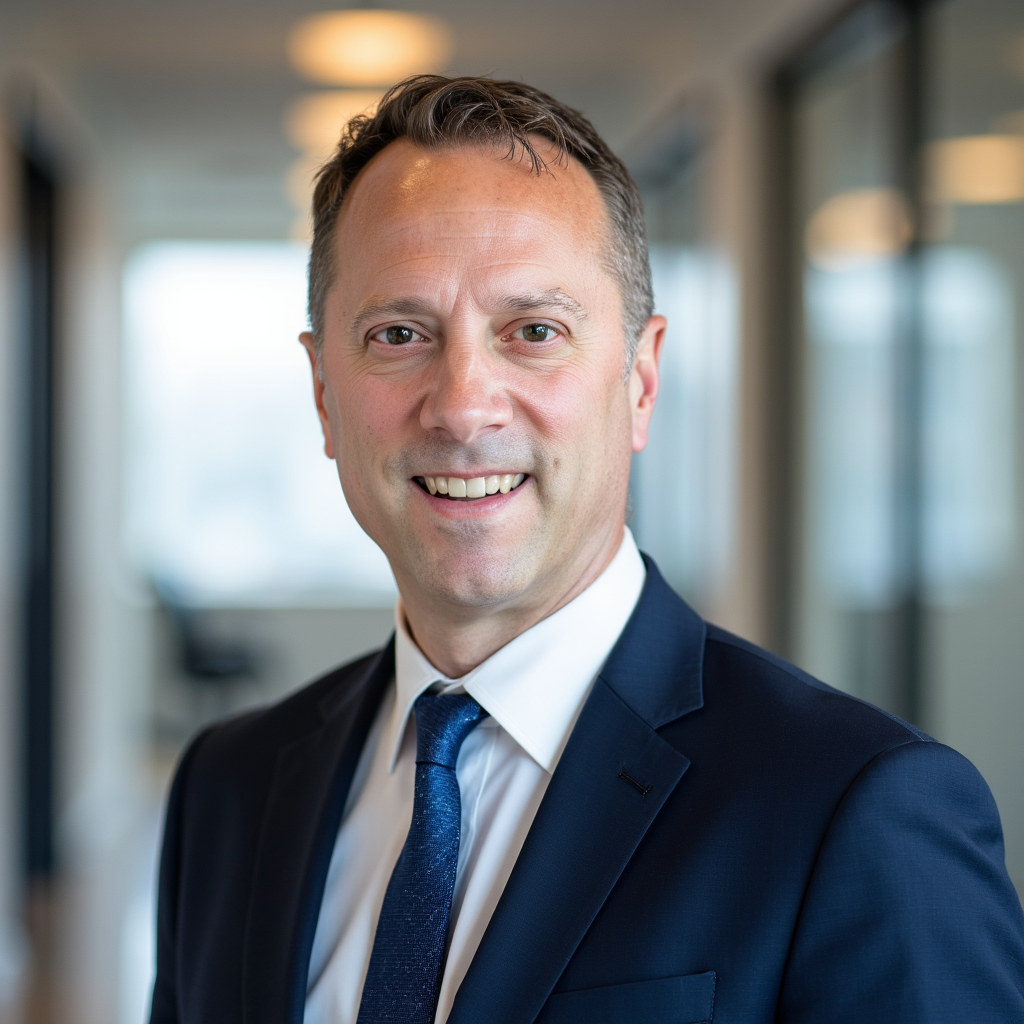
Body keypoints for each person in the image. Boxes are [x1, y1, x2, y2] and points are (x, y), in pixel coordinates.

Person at [149, 75, 1024, 1024]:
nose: (464, 407)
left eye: (535, 331)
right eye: (399, 334)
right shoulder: (227, 792)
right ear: (324, 393)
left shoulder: (853, 807)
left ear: (640, 381)